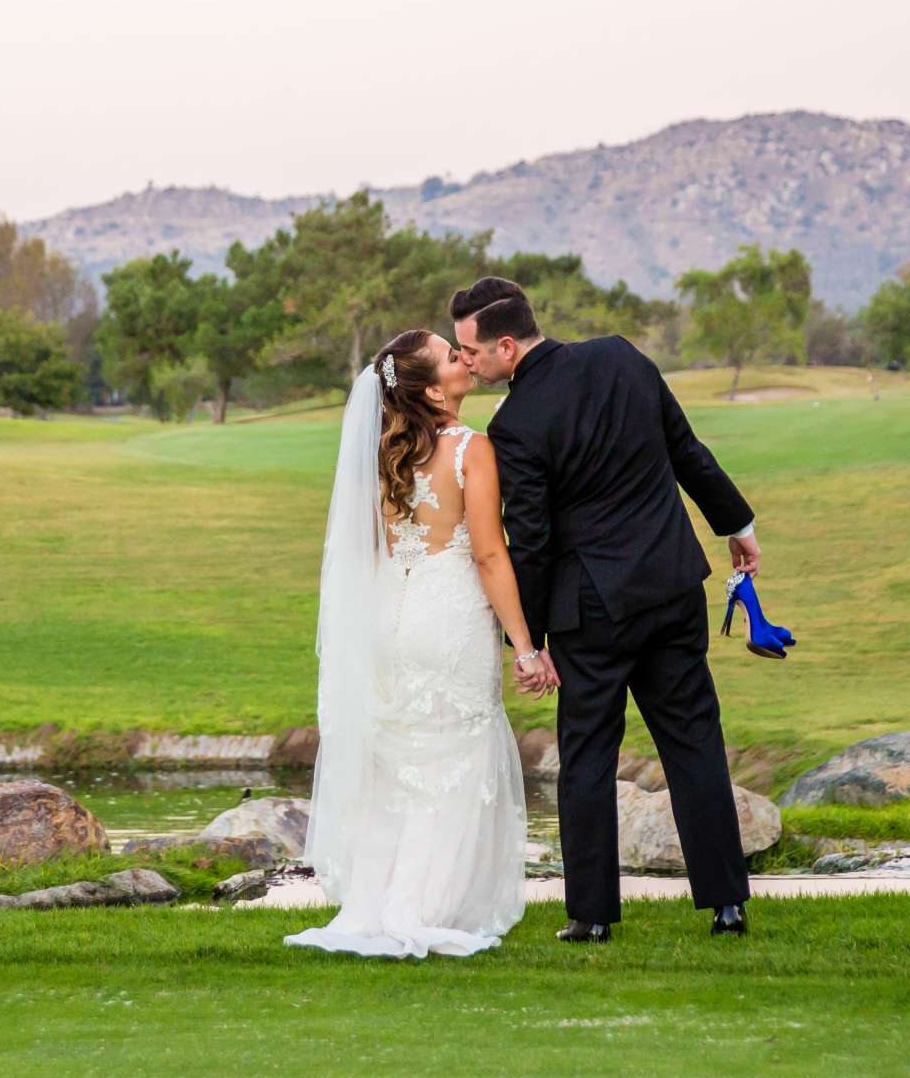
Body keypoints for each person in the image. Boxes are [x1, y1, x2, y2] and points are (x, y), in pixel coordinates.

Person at [452, 276, 760, 939]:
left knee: (588, 755)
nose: (467, 364)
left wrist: (527, 641)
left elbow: (529, 544)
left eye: (471, 351)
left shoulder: (515, 426)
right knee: (694, 741)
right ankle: (727, 904)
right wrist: (737, 524)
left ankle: (591, 917)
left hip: (592, 612)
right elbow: (687, 452)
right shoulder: (622, 355)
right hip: (675, 585)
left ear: (507, 346)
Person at [284, 328, 553, 958]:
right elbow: (488, 554)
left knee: (396, 769)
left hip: (387, 620)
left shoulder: (377, 453)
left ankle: (377, 905)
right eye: (451, 355)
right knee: (452, 761)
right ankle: (424, 907)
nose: (464, 359)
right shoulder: (471, 449)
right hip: (449, 618)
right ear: (433, 388)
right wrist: (525, 646)